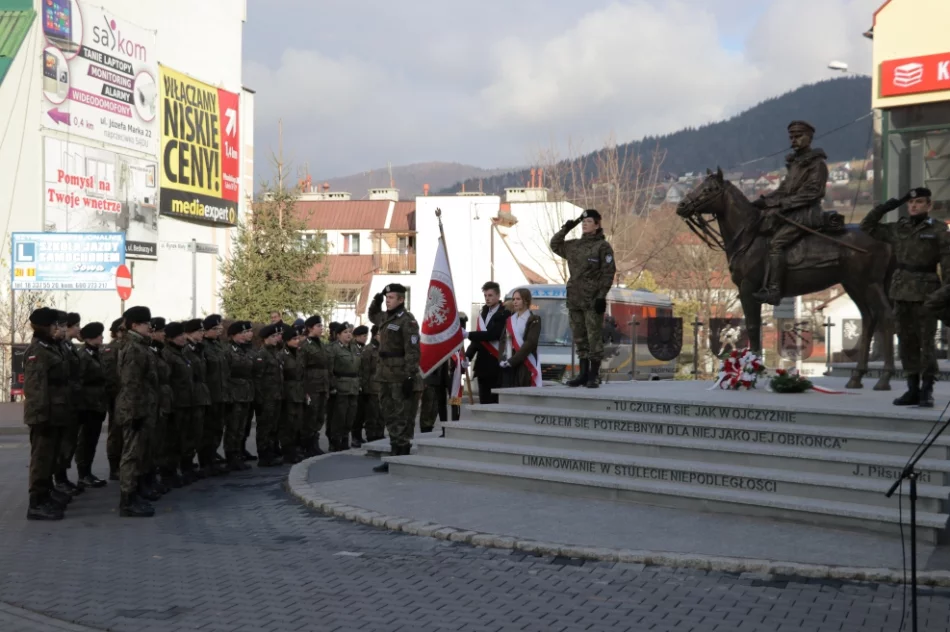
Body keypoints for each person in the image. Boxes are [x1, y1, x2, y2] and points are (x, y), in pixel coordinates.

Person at [862, 187, 950, 408]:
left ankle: (927, 389)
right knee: (905, 342)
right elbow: (867, 226)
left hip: (926, 293)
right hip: (901, 292)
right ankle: (912, 388)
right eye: (910, 203)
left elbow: (948, 267)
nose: (913, 206)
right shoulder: (899, 228)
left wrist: (942, 295)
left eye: (919, 202)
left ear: (929, 205)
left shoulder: (938, 230)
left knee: (926, 344)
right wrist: (889, 205)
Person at [752, 120, 829, 305]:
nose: (794, 140)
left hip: (807, 214)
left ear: (809, 138)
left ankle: (774, 291)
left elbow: (813, 193)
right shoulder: (795, 164)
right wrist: (764, 201)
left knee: (776, 243)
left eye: (798, 136)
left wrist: (782, 204)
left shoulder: (817, 164)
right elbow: (783, 190)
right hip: (792, 211)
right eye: (791, 137)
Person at [550, 208, 617, 388]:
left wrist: (601, 296)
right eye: (583, 222)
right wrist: (567, 228)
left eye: (589, 222)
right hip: (575, 299)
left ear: (597, 225)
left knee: (594, 338)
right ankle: (583, 374)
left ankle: (593, 375)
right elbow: (555, 244)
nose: (585, 224)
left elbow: (608, 273)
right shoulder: (574, 246)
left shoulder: (602, 247)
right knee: (580, 338)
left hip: (592, 300)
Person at [368, 283, 422, 472]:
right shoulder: (385, 317)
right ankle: (394, 452)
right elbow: (372, 316)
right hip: (385, 375)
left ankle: (401, 453)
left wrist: (410, 376)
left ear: (401, 299)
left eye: (391, 298)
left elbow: (413, 351)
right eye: (387, 298)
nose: (388, 301)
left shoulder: (407, 321)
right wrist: (376, 300)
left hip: (400, 376)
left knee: (402, 416)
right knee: (389, 414)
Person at [23, 307, 70, 520]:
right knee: (41, 459)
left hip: (56, 412)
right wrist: (39, 417)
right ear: (44, 327)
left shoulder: (51, 347)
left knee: (50, 457)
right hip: (44, 414)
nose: (56, 328)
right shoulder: (38, 350)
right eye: (54, 325)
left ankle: (46, 494)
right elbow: (35, 388)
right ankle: (36, 503)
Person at [114, 306, 159, 517]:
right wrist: (133, 414)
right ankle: (127, 500)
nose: (149, 326)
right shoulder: (133, 348)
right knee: (131, 455)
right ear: (135, 325)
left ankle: (136, 492)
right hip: (135, 409)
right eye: (146, 323)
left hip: (143, 407)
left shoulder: (141, 345)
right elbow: (130, 384)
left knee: (141, 453)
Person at [74, 321, 108, 489]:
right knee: (85, 441)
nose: (102, 337)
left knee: (92, 440)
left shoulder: (96, 353)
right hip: (88, 405)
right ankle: (83, 474)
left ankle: (87, 472)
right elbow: (78, 381)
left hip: (97, 403)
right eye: (99, 335)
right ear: (90, 338)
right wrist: (81, 406)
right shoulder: (84, 355)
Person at [464, 281, 509, 404]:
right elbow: (478, 340)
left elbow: (493, 335)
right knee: (483, 402)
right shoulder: (483, 312)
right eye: (485, 296)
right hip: (482, 365)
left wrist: (469, 334)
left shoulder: (504, 313)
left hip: (496, 364)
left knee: (495, 402)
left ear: (498, 296)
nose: (487, 298)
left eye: (490, 295)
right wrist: (468, 356)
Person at [54, 311, 83, 496]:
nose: (79, 329)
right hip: (64, 401)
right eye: (76, 325)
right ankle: (59, 480)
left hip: (71, 400)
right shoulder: (60, 347)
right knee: (62, 444)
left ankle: (63, 478)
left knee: (70, 442)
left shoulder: (68, 346)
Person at [162, 322, 193, 487]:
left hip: (186, 401)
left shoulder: (182, 353)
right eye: (179, 335)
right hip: (175, 403)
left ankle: (181, 469)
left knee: (184, 438)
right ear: (170, 338)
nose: (183, 338)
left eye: (183, 334)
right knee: (172, 440)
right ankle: (169, 473)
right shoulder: (168, 354)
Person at [201, 315, 231, 472]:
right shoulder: (203, 347)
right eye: (216, 328)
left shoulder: (219, 345)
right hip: (210, 395)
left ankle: (213, 456)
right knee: (208, 429)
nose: (219, 331)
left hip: (221, 394)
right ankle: (206, 461)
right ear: (207, 331)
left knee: (218, 428)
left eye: (220, 328)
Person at [146, 318, 172, 497]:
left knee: (159, 443)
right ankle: (146, 482)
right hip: (151, 402)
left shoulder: (159, 350)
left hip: (162, 401)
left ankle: (153, 479)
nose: (164, 334)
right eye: (161, 331)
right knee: (150, 444)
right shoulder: (149, 351)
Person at [253, 322, 285, 466]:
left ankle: (271, 451)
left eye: (277, 335)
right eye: (273, 336)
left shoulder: (275, 353)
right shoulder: (262, 354)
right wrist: (259, 399)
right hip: (266, 397)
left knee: (274, 426)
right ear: (266, 338)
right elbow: (258, 378)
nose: (276, 338)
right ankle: (264, 454)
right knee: (265, 427)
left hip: (276, 395)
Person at [225, 321, 255, 470]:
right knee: (233, 426)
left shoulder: (244, 349)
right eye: (241, 333)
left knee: (241, 426)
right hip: (234, 393)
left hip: (246, 393)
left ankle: (238, 453)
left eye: (245, 333)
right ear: (232, 335)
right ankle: (231, 456)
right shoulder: (228, 350)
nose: (244, 335)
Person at [498, 287, 543, 387]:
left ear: (526, 301)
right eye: (513, 299)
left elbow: (530, 342)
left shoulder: (534, 319)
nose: (515, 302)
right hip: (509, 361)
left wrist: (513, 361)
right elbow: (503, 340)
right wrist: (501, 358)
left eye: (518, 299)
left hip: (525, 362)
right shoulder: (510, 320)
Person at [327, 322, 361, 451]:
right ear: (338, 335)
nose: (348, 334)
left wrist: (360, 383)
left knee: (351, 415)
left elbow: (360, 367)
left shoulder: (355, 348)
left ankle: (345, 439)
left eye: (350, 332)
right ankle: (335, 441)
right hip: (340, 386)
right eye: (345, 332)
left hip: (353, 386)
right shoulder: (333, 348)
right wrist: (332, 386)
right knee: (339, 416)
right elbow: (329, 369)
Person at [300, 315, 329, 456]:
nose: (321, 328)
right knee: (310, 415)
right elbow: (301, 368)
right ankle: (307, 446)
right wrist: (304, 389)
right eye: (318, 326)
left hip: (322, 385)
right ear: (310, 328)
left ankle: (314, 443)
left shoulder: (321, 344)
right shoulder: (305, 345)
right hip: (311, 385)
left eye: (321, 325)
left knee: (319, 416)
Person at [280, 323, 306, 464]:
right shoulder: (282, 355)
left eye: (298, 338)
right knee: (288, 424)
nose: (297, 341)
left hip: (299, 392)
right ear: (287, 340)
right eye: (294, 339)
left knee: (298, 423)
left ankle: (296, 448)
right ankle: (288, 451)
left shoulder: (300, 354)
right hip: (288, 393)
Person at [102, 318, 125, 480]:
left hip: (125, 396)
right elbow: (110, 377)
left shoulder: (126, 347)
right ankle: (114, 467)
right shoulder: (113, 349)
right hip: (117, 396)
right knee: (116, 433)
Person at [359, 325, 384, 442]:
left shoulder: (384, 348)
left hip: (383, 386)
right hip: (372, 387)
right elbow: (365, 371)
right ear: (375, 335)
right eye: (380, 333)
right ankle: (371, 435)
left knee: (382, 413)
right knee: (372, 413)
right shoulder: (369, 349)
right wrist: (365, 388)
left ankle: (380, 433)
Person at [351, 325, 369, 447]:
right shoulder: (353, 348)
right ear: (357, 336)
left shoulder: (364, 348)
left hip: (365, 384)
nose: (365, 338)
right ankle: (355, 437)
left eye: (366, 335)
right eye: (363, 336)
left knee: (362, 413)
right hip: (356, 384)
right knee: (356, 414)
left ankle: (359, 436)